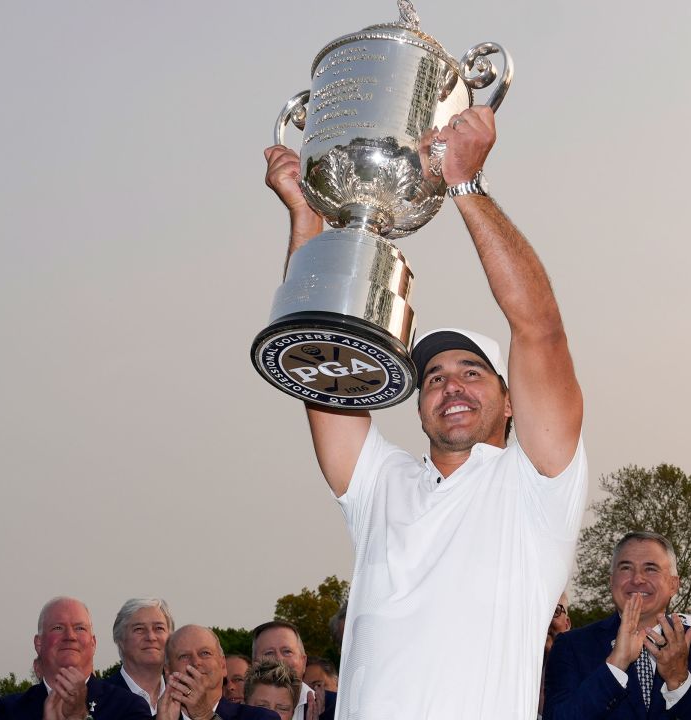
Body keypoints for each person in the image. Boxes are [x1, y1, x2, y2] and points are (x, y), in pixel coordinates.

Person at [263, 104, 587, 720]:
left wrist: (465, 184)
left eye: (473, 373)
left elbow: (539, 330)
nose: (451, 387)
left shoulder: (537, 486)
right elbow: (318, 351)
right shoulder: (381, 484)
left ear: (511, 399)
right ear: (416, 407)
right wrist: (307, 219)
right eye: (433, 377)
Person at [544, 532, 691, 719]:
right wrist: (615, 666)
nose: (637, 579)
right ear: (611, 581)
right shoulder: (572, 646)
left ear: (674, 584)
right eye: (626, 568)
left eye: (651, 569)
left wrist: (679, 681)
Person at [0, 597, 148, 720]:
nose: (70, 636)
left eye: (80, 628)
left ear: (93, 643)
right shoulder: (8, 710)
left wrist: (80, 717)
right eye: (58, 628)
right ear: (38, 643)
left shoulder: (129, 707)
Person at [161, 625, 278, 720]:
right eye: (184, 656)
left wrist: (205, 716)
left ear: (223, 665)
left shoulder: (261, 717)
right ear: (167, 671)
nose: (196, 662)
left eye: (205, 653)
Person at [104, 599, 174, 715]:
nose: (151, 637)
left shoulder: (186, 699)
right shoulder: (99, 701)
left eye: (159, 628)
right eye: (139, 629)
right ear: (120, 640)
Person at [250, 622, 332, 720]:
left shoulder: (336, 708)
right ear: (255, 664)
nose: (279, 659)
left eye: (287, 651)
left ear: (303, 661)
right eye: (269, 653)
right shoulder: (238, 712)